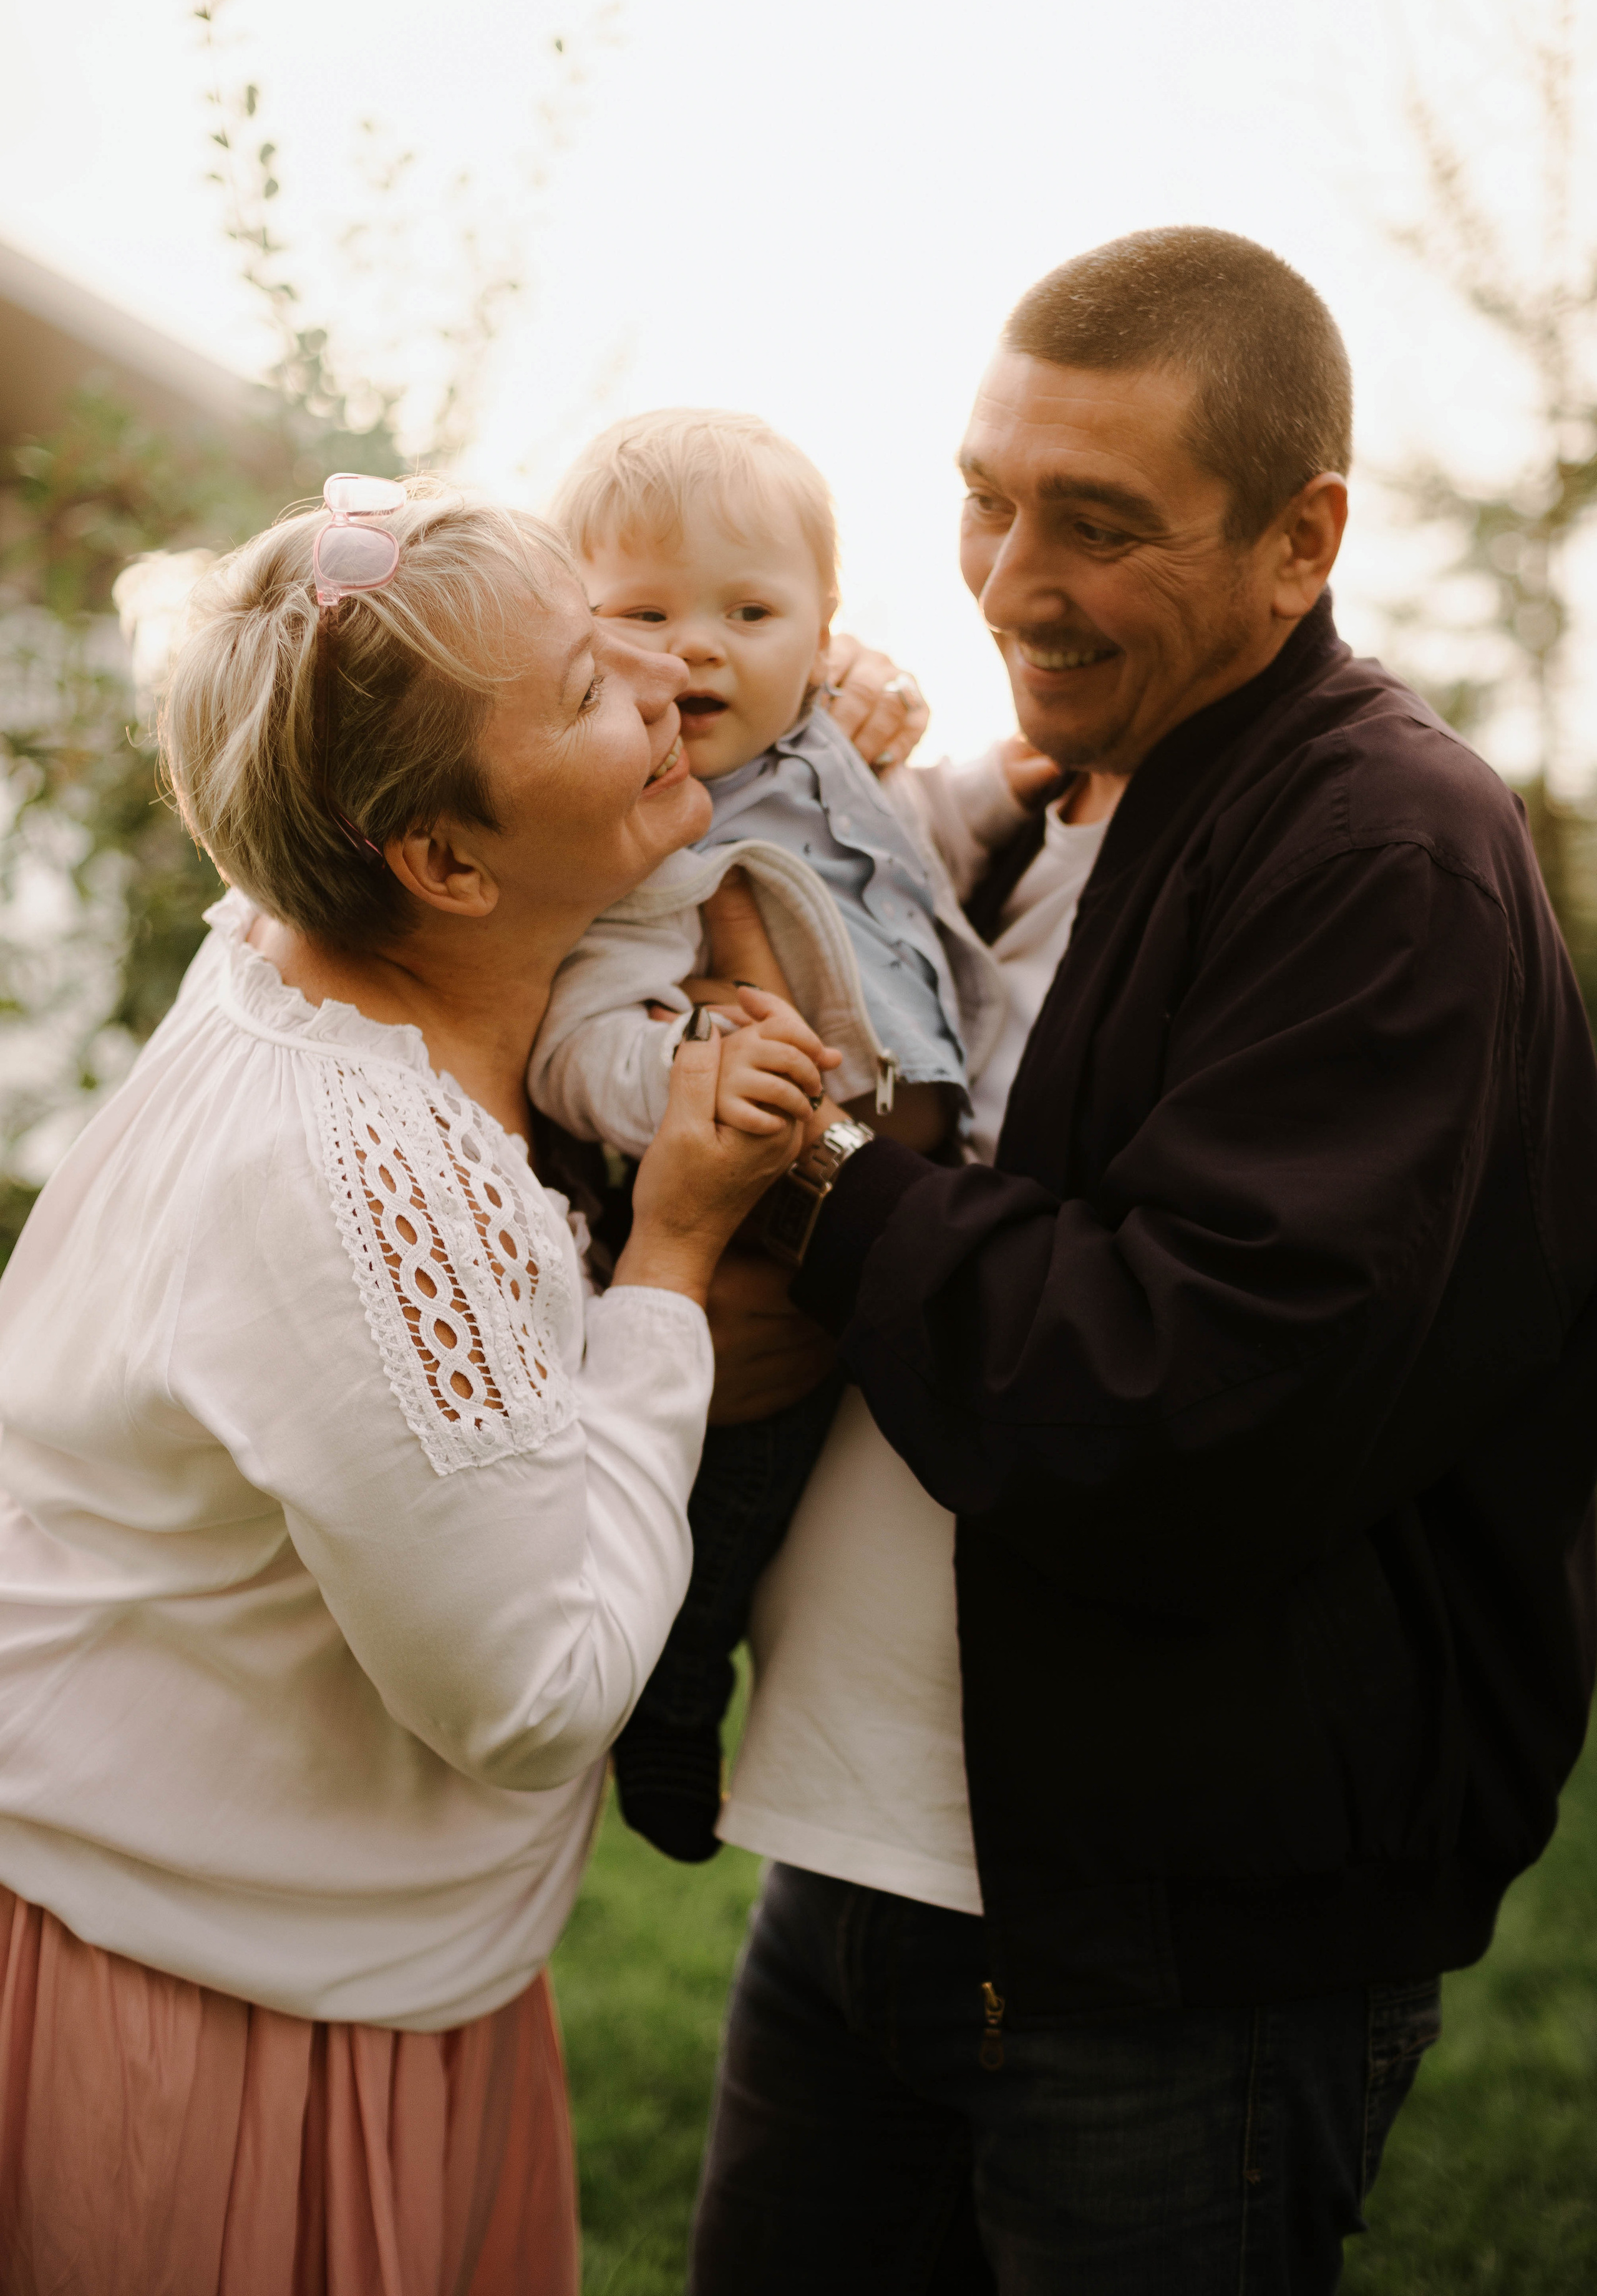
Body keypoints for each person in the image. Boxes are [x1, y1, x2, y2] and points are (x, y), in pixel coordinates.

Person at [690, 228, 1597, 2295]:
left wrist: (805, 1170)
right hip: (857, 1876)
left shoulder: (1381, 855)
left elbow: (1163, 1389)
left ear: (1304, 538)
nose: (1012, 576)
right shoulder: (1044, 803)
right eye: (990, 498)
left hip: (1160, 1953)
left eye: (1096, 524)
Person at [0, 472, 854, 2294]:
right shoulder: (370, 1179)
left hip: (280, 1959)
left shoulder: (274, 952)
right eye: (580, 686)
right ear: (448, 865)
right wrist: (673, 1261)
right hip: (222, 2027)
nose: (656, 675)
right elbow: (534, 1690)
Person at [529, 409, 1049, 1861]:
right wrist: (687, 1067)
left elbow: (898, 875)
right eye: (643, 613)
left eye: (748, 613)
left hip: (896, 1187)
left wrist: (992, 794)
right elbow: (578, 1044)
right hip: (762, 1192)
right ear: (577, 628)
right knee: (738, 1471)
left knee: (830, 1471)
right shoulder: (644, 828)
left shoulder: (837, 761)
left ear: (823, 630)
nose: (696, 649)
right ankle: (669, 1707)